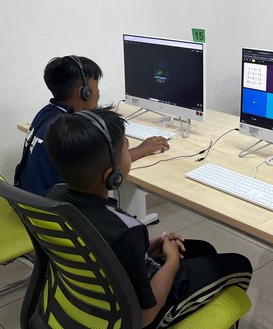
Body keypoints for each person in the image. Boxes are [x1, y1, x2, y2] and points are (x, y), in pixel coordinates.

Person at [45, 108, 253, 328]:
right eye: (126, 148)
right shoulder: (125, 231)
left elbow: (105, 245)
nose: (129, 152)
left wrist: (142, 249)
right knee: (239, 264)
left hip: (92, 296)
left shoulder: (52, 198)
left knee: (204, 249)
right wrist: (171, 261)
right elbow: (144, 316)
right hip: (145, 316)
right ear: (112, 175)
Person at [16, 55, 169, 196]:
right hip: (56, 208)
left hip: (31, 199)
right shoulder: (71, 130)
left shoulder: (47, 114)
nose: (99, 91)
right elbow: (105, 165)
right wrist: (142, 149)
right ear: (84, 92)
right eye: (97, 84)